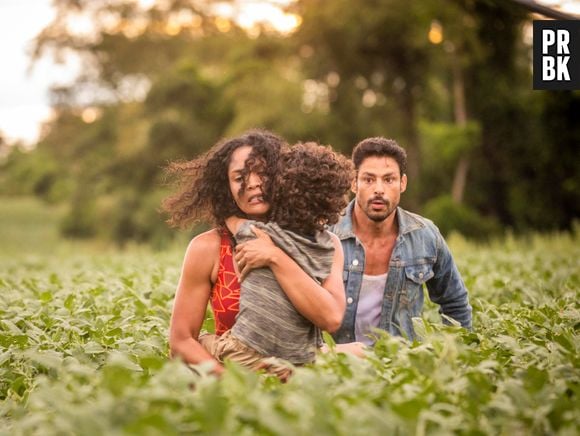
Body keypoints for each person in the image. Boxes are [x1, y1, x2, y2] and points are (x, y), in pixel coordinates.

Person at [162, 130, 346, 376]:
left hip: (300, 382)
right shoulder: (207, 248)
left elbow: (331, 317)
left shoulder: (322, 243)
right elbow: (181, 341)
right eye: (239, 177)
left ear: (283, 175)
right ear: (225, 187)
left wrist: (276, 257)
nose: (252, 183)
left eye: (262, 173)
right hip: (231, 375)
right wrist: (238, 384)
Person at [329, 137, 472, 345]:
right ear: (354, 182)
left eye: (389, 179)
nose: (379, 189)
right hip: (336, 366)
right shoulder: (325, 234)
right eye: (369, 179)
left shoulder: (425, 236)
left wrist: (451, 355)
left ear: (402, 183)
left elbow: (455, 303)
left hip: (402, 369)